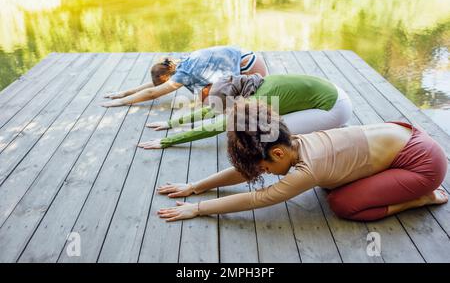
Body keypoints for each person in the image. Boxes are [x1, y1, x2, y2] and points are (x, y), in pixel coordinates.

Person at [156, 100, 448, 222]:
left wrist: (198, 209)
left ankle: (420, 199)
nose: (264, 173)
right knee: (331, 188)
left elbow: (257, 199)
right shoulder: (293, 141)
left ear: (278, 153)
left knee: (342, 204)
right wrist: (195, 186)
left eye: (265, 168)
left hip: (423, 165)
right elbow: (244, 173)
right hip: (404, 138)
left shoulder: (308, 169)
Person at [138, 73, 352, 149]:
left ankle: (336, 129)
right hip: (332, 91)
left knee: (271, 135)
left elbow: (217, 126)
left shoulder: (257, 101)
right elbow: (212, 111)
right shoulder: (249, 83)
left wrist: (167, 141)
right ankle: (330, 126)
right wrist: (170, 123)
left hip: (334, 107)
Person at [100, 46, 268, 107]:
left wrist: (120, 102)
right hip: (247, 55)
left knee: (213, 104)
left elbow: (153, 92)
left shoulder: (183, 74)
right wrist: (124, 93)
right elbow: (155, 85)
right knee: (204, 97)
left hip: (249, 66)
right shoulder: (177, 62)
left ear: (168, 77)